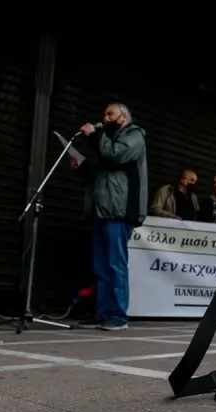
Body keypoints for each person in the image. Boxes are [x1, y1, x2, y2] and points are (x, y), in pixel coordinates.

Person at [75, 103, 147, 331]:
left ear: (123, 116)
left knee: (115, 264)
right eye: (103, 113)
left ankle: (117, 315)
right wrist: (82, 166)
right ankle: (103, 312)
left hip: (118, 210)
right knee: (101, 265)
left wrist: (95, 135)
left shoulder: (135, 135)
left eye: (110, 114)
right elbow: (103, 171)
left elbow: (117, 155)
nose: (104, 118)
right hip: (101, 211)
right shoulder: (107, 140)